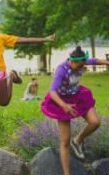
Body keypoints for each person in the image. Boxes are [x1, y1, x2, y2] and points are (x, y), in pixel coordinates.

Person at [40, 46, 109, 175]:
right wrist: (63, 105)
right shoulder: (61, 70)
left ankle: (77, 140)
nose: (82, 68)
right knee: (65, 140)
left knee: (95, 122)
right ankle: (67, 173)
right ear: (72, 61)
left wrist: (106, 62)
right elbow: (52, 91)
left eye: (84, 65)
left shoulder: (81, 61)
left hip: (78, 96)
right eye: (80, 66)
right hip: (61, 101)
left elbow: (94, 61)